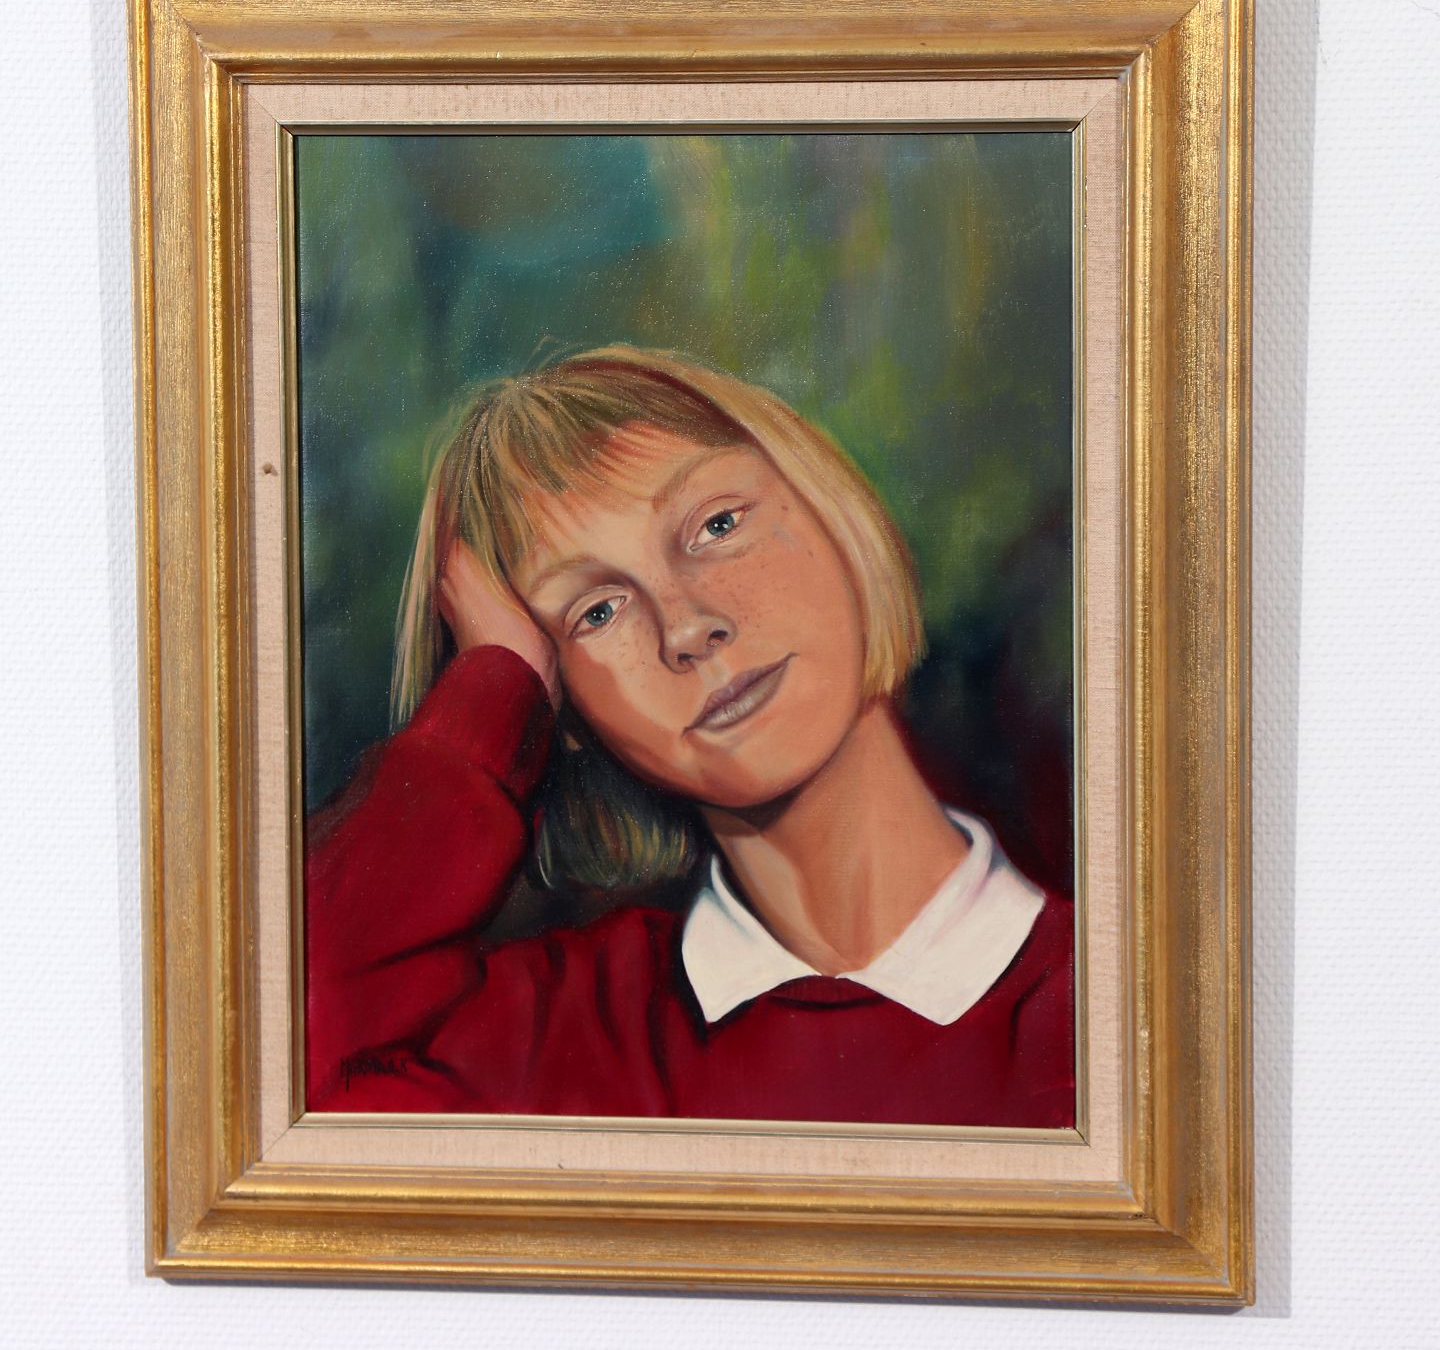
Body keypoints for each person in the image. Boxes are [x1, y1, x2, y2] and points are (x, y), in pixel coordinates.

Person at [305, 346, 1074, 1127]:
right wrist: (492, 690)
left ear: (828, 510)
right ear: (566, 709)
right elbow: (275, 1063)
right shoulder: (555, 1040)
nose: (685, 628)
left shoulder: (1108, 1008)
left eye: (716, 525)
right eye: (596, 611)